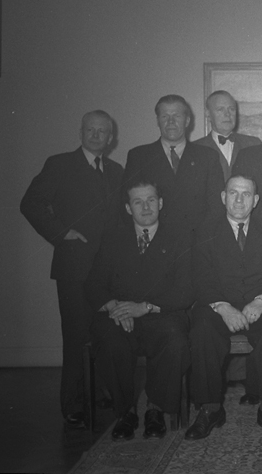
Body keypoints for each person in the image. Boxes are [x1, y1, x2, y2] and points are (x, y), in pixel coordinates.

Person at [20, 110, 123, 427]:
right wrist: (61, 233)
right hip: (74, 267)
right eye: (91, 129)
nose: (96, 135)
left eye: (102, 131)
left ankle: (103, 391)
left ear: (111, 138)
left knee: (105, 331)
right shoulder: (59, 164)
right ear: (81, 133)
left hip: (107, 270)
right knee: (77, 334)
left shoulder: (117, 171)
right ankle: (73, 403)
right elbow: (30, 203)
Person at [187, 175, 262, 440]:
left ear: (255, 200)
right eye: (233, 193)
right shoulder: (204, 232)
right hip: (218, 305)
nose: (239, 199)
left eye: (246, 194)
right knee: (202, 329)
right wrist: (223, 307)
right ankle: (210, 409)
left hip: (259, 305)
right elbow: (199, 278)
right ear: (223, 197)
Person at [84, 180, 193, 441]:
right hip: (120, 316)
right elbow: (93, 284)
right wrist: (116, 308)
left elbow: (186, 290)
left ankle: (155, 409)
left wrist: (144, 307)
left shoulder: (180, 237)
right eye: (138, 202)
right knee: (109, 340)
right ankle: (125, 412)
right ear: (128, 208)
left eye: (151, 200)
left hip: (161, 313)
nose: (146, 207)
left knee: (175, 340)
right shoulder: (113, 238)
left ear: (161, 203)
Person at [123, 94, 224, 234]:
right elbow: (128, 205)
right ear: (158, 121)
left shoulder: (207, 157)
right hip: (155, 240)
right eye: (165, 116)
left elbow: (216, 208)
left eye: (177, 116)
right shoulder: (139, 156)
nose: (171, 121)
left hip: (197, 239)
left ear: (187, 121)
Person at [194, 90, 262, 181]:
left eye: (231, 109)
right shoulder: (194, 149)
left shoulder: (254, 144)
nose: (227, 114)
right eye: (220, 109)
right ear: (208, 114)